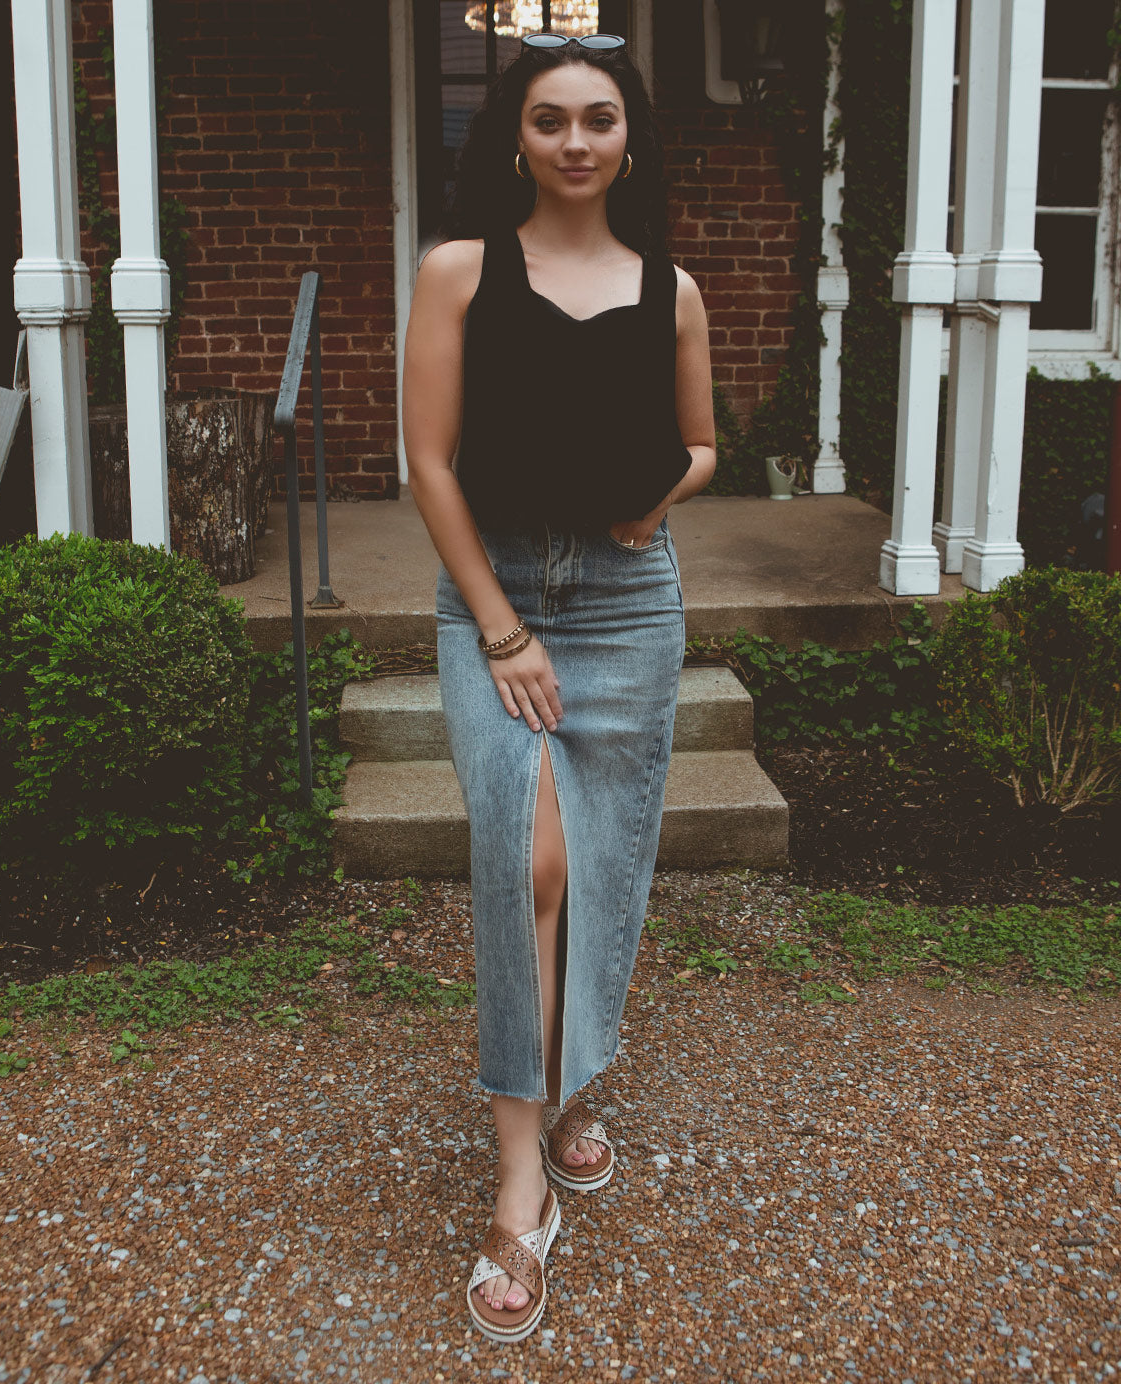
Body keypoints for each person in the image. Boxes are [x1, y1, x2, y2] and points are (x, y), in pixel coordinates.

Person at [401, 31, 716, 1344]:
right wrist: (502, 630)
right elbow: (428, 462)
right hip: (503, 604)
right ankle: (521, 1169)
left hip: (630, 606)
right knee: (530, 860)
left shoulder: (673, 289)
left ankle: (575, 1084)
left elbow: (704, 445)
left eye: (598, 119)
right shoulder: (460, 272)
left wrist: (663, 491)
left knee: (600, 862)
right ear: (516, 138)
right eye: (550, 120)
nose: (576, 140)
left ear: (628, 140)